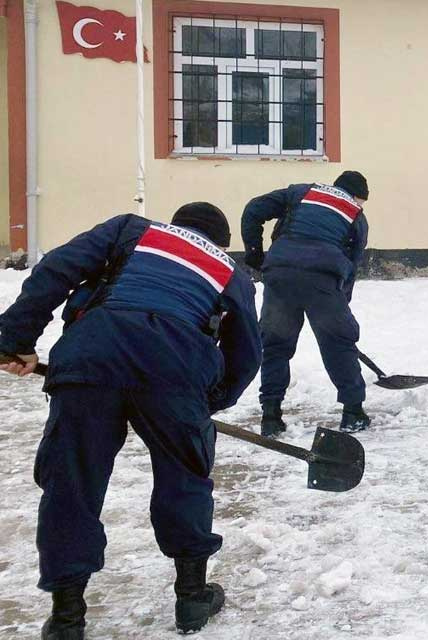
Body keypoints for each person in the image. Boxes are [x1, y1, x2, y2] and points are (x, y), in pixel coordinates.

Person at [0, 203, 262, 638]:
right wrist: (208, 403)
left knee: (72, 480)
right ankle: (192, 598)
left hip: (91, 356)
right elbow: (246, 352)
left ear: (174, 224)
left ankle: (67, 618)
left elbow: (58, 268)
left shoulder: (130, 230)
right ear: (220, 240)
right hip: (177, 367)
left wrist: (15, 338)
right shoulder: (228, 270)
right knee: (185, 477)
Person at [242, 171, 371, 437]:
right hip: (322, 279)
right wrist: (339, 309)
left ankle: (271, 416)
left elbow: (254, 209)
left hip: (280, 272)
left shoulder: (300, 192)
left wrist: (254, 254)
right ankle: (353, 413)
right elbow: (351, 265)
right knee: (338, 344)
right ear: (357, 196)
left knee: (276, 345)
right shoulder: (356, 216)